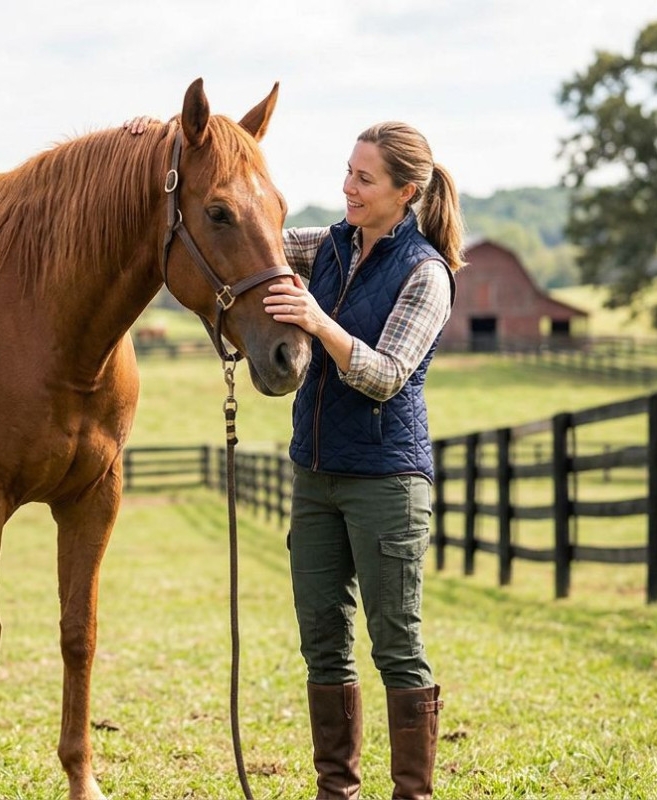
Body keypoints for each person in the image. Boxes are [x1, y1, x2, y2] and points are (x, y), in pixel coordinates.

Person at [126, 115, 462, 800]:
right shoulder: (329, 246)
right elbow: (247, 238)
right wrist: (165, 158)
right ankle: (335, 791)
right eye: (347, 172)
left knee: (396, 645)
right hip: (314, 476)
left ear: (405, 192)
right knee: (323, 645)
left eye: (364, 179)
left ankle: (411, 793)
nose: (347, 188)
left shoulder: (425, 273)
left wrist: (316, 322)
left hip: (386, 483)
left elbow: (384, 374)